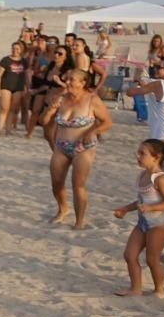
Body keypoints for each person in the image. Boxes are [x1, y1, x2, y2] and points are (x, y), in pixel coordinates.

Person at [40, 68, 113, 229]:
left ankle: (79, 220)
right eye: (67, 78)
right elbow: (44, 121)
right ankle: (63, 209)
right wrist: (50, 109)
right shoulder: (60, 98)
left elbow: (107, 122)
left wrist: (93, 131)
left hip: (84, 147)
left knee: (77, 184)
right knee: (56, 183)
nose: (67, 82)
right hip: (62, 146)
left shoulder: (92, 100)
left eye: (72, 79)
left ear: (83, 83)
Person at [112, 139, 164, 298]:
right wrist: (125, 209)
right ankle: (136, 288)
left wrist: (151, 208)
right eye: (138, 152)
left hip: (158, 225)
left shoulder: (161, 179)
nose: (138, 156)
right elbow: (141, 201)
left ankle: (159, 289)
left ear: (157, 157)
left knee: (152, 259)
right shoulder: (143, 175)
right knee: (129, 255)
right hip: (143, 224)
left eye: (142, 153)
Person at [126, 57, 164, 141]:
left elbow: (130, 92)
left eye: (159, 67)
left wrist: (138, 80)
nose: (155, 69)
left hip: (162, 134)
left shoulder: (158, 84)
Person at [0, 41, 29, 136]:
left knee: (12, 109)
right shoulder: (5, 60)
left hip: (18, 87)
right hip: (6, 86)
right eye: (13, 48)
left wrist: (27, 87)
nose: (15, 50)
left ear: (21, 50)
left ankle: (8, 129)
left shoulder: (24, 61)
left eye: (17, 49)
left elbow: (27, 76)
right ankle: (0, 130)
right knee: (4, 108)